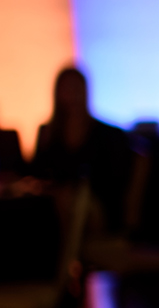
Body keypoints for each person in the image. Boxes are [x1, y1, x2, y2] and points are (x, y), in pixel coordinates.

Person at [30, 67, 134, 233]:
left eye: (76, 87)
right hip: (55, 201)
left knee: (74, 205)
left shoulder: (107, 134)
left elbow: (115, 178)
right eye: (67, 88)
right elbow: (37, 173)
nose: (72, 93)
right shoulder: (48, 133)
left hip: (96, 202)